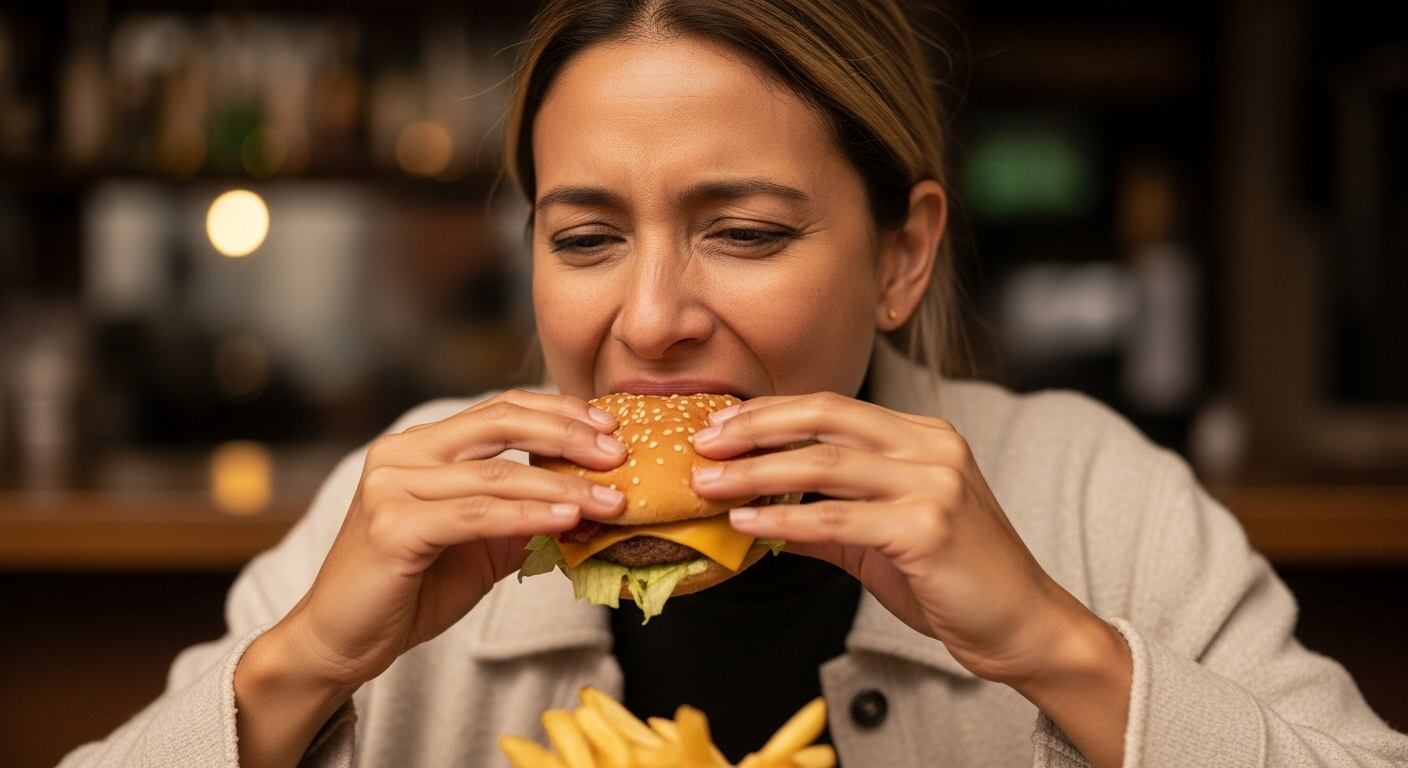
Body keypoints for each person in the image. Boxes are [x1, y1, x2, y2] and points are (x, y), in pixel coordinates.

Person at [61, 1, 1408, 767]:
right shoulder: (413, 497)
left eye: (747, 233)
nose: (650, 321)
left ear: (902, 253)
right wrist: (300, 669)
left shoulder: (1090, 492)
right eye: (586, 238)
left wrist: (1061, 650)